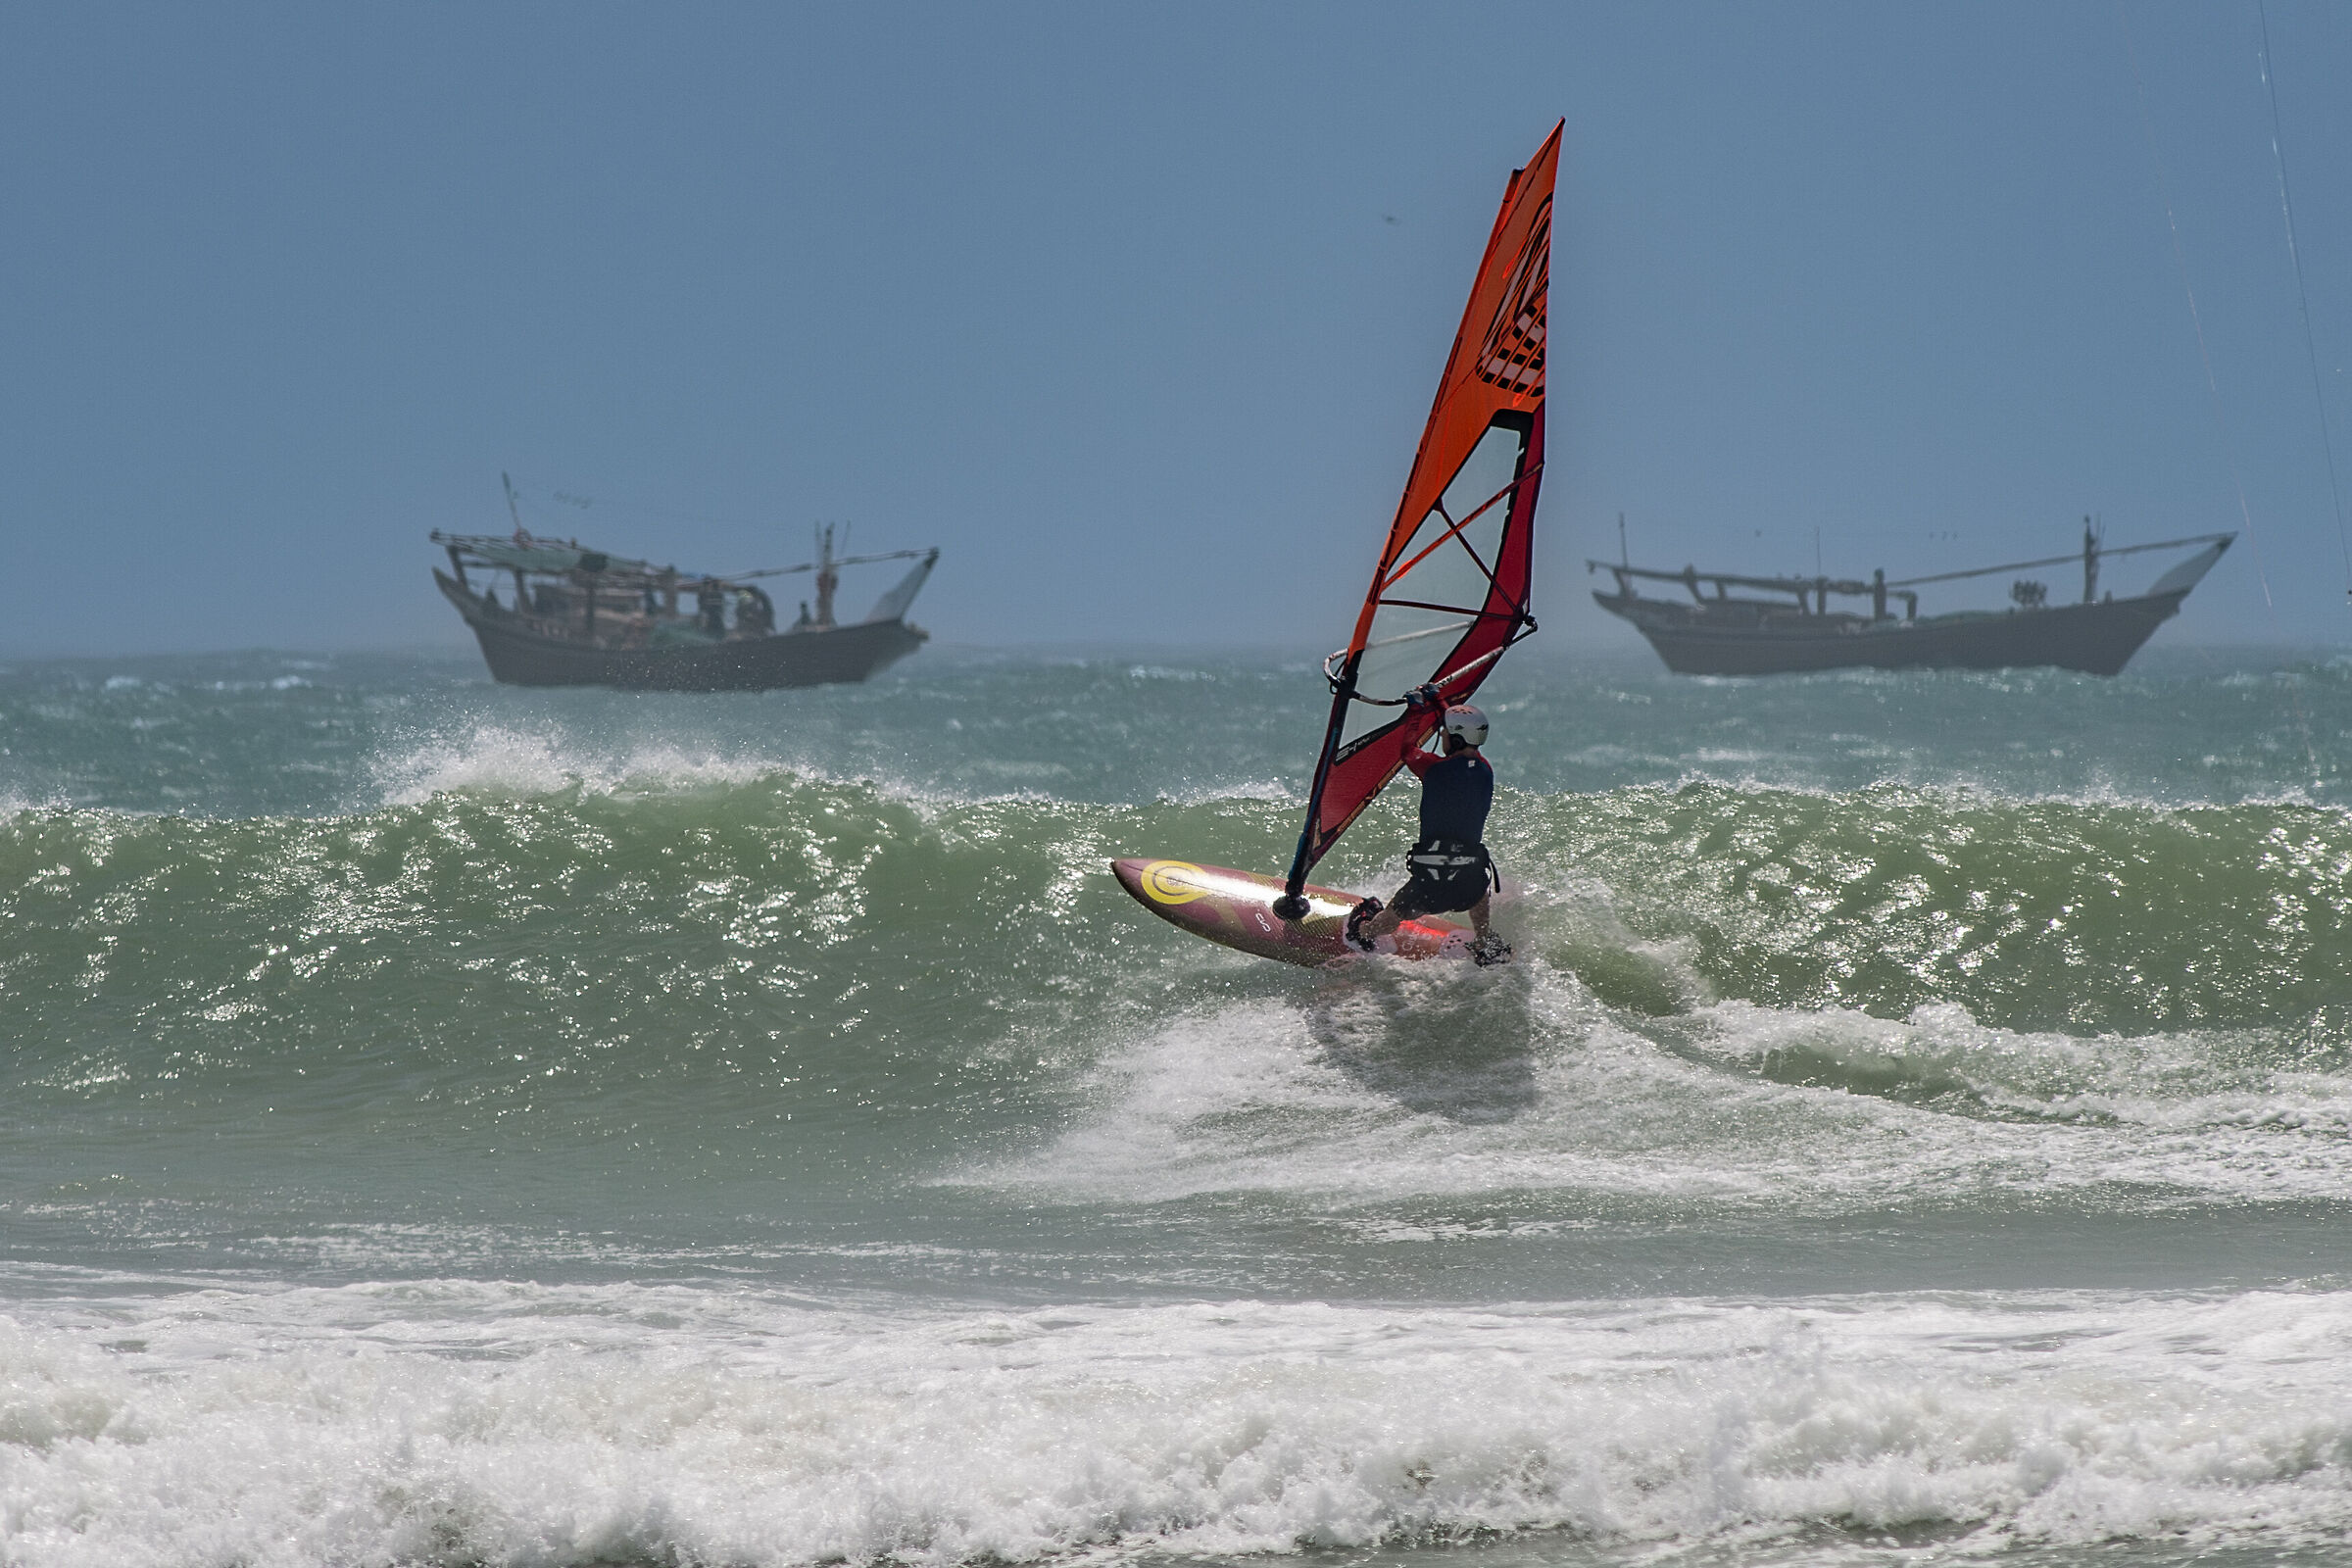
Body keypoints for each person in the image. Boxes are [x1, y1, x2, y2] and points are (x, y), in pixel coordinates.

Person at [1346, 688, 1511, 965]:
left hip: (1431, 886)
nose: (1442, 736)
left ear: (1455, 738)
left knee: (1394, 915)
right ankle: (1483, 941)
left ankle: (1362, 932)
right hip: (1469, 883)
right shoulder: (1485, 769)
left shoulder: (1434, 769)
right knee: (1478, 888)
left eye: (1445, 733)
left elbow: (1408, 751)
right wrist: (1438, 701)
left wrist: (1415, 710)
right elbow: (1457, 735)